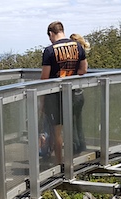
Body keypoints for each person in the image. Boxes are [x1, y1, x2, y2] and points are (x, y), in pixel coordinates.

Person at [40, 21, 88, 163]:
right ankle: (72, 161)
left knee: (57, 132)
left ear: (51, 34)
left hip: (56, 96)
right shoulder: (78, 46)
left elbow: (44, 77)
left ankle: (60, 163)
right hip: (74, 93)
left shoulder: (49, 51)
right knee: (72, 127)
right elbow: (83, 70)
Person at [69, 33, 90, 153]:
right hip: (80, 94)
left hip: (72, 95)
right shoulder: (82, 56)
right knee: (78, 121)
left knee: (71, 122)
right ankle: (82, 146)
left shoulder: (74, 56)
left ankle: (75, 148)